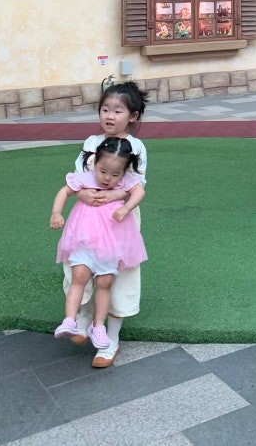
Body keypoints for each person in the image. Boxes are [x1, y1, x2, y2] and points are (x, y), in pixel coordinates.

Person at [64, 80, 148, 366]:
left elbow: (138, 183)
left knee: (117, 275)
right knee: (80, 267)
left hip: (118, 221)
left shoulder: (136, 147)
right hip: (87, 219)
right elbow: (78, 176)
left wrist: (116, 195)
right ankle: (84, 319)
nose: (110, 116)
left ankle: (111, 339)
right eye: (105, 109)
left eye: (117, 111)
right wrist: (82, 193)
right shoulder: (91, 143)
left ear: (133, 116)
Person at [50, 136, 147, 348]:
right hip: (83, 238)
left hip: (110, 243)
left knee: (105, 283)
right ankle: (70, 320)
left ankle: (99, 326)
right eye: (103, 171)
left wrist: (126, 207)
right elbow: (64, 191)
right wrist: (56, 212)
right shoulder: (85, 178)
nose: (107, 178)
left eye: (115, 174)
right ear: (95, 163)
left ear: (124, 172)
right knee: (79, 276)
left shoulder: (125, 181)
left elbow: (139, 191)